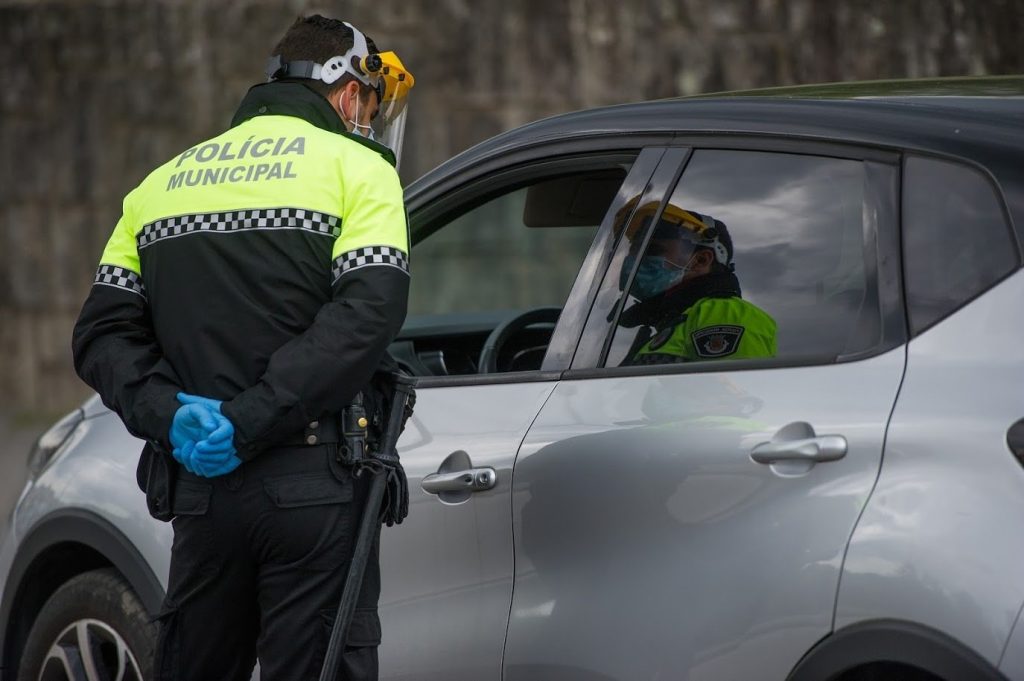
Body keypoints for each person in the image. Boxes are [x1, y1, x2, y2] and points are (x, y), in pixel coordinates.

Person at [71, 15, 414, 680]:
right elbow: (366, 316)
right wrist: (253, 418)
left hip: (201, 490)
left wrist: (169, 413)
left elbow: (101, 333)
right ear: (347, 94)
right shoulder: (360, 170)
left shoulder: (160, 184)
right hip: (312, 486)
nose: (369, 120)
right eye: (370, 104)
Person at [616, 203, 777, 365]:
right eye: (634, 251)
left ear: (701, 260)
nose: (635, 260)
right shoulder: (675, 321)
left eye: (652, 250)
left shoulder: (724, 314)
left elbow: (724, 388)